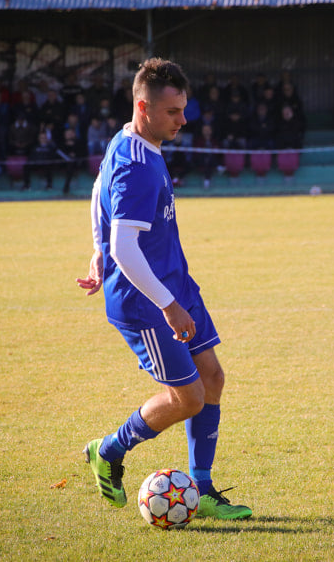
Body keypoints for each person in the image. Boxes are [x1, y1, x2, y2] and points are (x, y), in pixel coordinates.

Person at [75, 58, 252, 520]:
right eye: (174, 111)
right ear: (144, 107)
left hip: (174, 281)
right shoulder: (137, 165)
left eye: (183, 108)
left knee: (212, 379)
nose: (183, 120)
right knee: (188, 397)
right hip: (146, 300)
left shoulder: (131, 140)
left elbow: (97, 188)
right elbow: (126, 249)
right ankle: (108, 451)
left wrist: (96, 246)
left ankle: (204, 489)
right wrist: (168, 305)